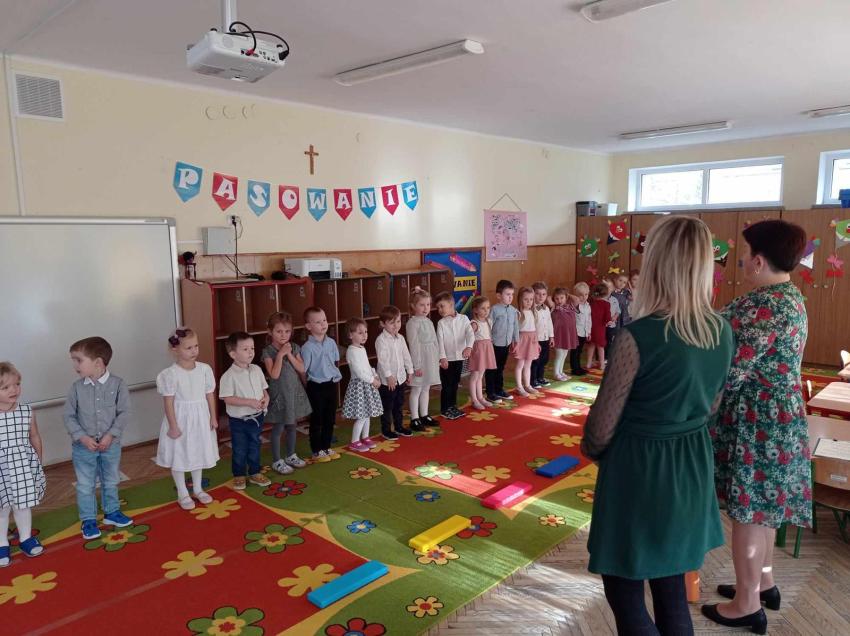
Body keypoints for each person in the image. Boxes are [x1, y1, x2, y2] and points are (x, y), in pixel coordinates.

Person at [582, 215, 734, 636]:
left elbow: (600, 430)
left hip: (639, 470)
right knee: (672, 589)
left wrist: (595, 451)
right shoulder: (721, 331)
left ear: (656, 266)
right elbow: (712, 405)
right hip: (690, 467)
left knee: (624, 590)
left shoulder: (637, 337)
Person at [703, 219, 809, 633]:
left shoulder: (764, 305)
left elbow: (730, 370)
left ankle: (746, 604)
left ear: (759, 261)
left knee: (748, 512)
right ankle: (764, 584)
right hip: (780, 417)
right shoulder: (790, 296)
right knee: (764, 510)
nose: (742, 262)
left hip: (758, 421)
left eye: (745, 255)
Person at [64, 336, 133, 540]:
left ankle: (112, 512)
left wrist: (111, 435)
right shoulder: (76, 388)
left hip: (111, 445)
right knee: (85, 485)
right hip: (83, 448)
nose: (75, 365)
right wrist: (82, 437)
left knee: (111, 480)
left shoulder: (118, 384)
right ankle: (88, 520)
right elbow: (68, 416)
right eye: (74, 360)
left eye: (79, 360)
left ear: (98, 362)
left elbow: (124, 412)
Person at [155, 328, 220, 508]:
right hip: (180, 420)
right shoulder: (170, 374)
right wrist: (173, 425)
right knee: (180, 454)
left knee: (197, 451)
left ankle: (198, 489)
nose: (194, 351)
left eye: (196, 346)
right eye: (188, 348)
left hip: (200, 419)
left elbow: (209, 395)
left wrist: (213, 417)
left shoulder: (204, 369)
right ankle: (182, 493)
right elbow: (168, 402)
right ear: (175, 349)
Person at [0, 362, 45, 566]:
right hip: (1, 470)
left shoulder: (26, 411)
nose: (14, 390)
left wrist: (38, 460)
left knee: (22, 504)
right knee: (2, 508)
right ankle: (2, 543)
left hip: (22, 466)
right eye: (6, 387)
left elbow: (34, 436)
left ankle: (26, 538)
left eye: (17, 384)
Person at [219, 332, 271, 491]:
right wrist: (249, 402)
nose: (250, 352)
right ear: (233, 354)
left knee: (255, 445)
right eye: (245, 349)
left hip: (257, 417)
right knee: (240, 448)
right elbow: (227, 398)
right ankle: (239, 475)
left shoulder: (257, 369)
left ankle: (255, 472)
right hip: (239, 421)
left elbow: (264, 390)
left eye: (252, 348)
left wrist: (266, 399)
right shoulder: (228, 376)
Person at [262, 312, 310, 475]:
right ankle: (277, 460)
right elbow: (274, 374)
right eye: (279, 331)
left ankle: (291, 455)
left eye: (287, 331)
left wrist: (288, 353)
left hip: (293, 393)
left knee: (292, 425)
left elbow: (302, 368)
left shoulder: (294, 347)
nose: (283, 335)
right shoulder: (268, 351)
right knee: (278, 427)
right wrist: (281, 354)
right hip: (279, 395)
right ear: (270, 332)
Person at [301, 307, 342, 462]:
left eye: (324, 320)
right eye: (318, 322)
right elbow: (303, 370)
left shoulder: (331, 343)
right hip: (316, 387)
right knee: (317, 419)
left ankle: (326, 446)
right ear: (308, 326)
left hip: (331, 384)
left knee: (330, 418)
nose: (323, 324)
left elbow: (335, 361)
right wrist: (307, 385)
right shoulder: (307, 347)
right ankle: (316, 450)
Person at [342, 317, 383, 451]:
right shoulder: (351, 351)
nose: (364, 335)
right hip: (360, 386)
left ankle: (365, 437)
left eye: (365, 332)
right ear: (350, 335)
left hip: (367, 384)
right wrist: (372, 380)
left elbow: (367, 365)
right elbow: (359, 371)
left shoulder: (361, 348)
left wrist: (375, 374)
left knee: (368, 413)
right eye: (360, 333)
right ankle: (354, 441)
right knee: (362, 416)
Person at [375, 305, 414, 439]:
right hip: (388, 381)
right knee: (387, 406)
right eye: (391, 323)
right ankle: (386, 430)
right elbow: (383, 360)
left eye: (398, 321)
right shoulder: (381, 340)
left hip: (400, 378)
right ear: (383, 324)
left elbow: (406, 355)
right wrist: (389, 376)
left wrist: (410, 371)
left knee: (399, 404)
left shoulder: (401, 338)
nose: (396, 325)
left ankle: (399, 427)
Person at [406, 288, 441, 431]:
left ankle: (424, 414)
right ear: (413, 306)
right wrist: (417, 366)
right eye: (422, 305)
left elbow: (435, 341)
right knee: (417, 389)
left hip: (430, 359)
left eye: (428, 304)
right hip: (420, 360)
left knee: (426, 387)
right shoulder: (412, 323)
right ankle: (414, 418)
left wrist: (438, 358)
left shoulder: (428, 321)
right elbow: (413, 345)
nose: (426, 308)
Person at [435, 291, 474, 419]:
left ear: (451, 304)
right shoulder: (441, 323)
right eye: (438, 307)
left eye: (442, 306)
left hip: (459, 358)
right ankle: (445, 409)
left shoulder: (464, 319)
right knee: (447, 385)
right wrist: (442, 357)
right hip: (447, 360)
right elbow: (440, 342)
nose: (440, 310)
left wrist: (469, 346)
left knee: (455, 383)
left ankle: (452, 406)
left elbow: (470, 334)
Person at [485, 279, 520, 402]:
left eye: (512, 294)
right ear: (499, 296)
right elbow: (488, 326)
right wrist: (488, 341)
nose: (510, 297)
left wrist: (516, 341)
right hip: (494, 344)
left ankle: (499, 389)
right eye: (507, 294)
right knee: (491, 368)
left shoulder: (513, 310)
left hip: (506, 344)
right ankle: (490, 392)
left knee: (500, 368)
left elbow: (515, 326)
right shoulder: (494, 310)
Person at [468, 296, 497, 409]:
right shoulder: (474, 323)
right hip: (478, 351)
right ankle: (474, 399)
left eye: (488, 308)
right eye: (483, 308)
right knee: (475, 375)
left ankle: (480, 397)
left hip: (486, 349)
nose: (486, 311)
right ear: (475, 310)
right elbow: (468, 338)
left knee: (480, 375)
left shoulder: (488, 321)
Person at [513, 286, 541, 397]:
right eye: (526, 299)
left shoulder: (533, 312)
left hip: (532, 341)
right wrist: (515, 343)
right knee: (520, 364)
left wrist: (537, 343)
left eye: (531, 299)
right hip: (522, 340)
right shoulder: (518, 313)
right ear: (520, 299)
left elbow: (535, 329)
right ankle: (519, 387)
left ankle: (527, 385)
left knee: (528, 364)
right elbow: (515, 330)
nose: (529, 302)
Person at [551, 287, 579, 381]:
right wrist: (556, 297)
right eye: (557, 298)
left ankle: (560, 371)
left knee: (564, 354)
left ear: (566, 297)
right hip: (559, 336)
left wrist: (567, 294)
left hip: (567, 336)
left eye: (561, 298)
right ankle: (556, 373)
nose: (559, 301)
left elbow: (576, 299)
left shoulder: (570, 306)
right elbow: (548, 298)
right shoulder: (555, 308)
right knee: (559, 354)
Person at [530, 281, 555, 388]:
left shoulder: (547, 309)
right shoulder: (531, 310)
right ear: (533, 294)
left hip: (545, 338)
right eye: (538, 294)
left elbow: (549, 323)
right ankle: (532, 380)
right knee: (535, 361)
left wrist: (551, 336)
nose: (541, 297)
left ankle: (540, 377)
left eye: (544, 294)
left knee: (544, 359)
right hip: (536, 340)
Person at [586, 283, 612, 371]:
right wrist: (609, 321)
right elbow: (607, 316)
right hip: (600, 328)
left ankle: (588, 363)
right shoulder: (606, 304)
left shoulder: (591, 303)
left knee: (591, 344)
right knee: (600, 346)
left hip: (590, 327)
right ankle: (602, 364)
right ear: (606, 294)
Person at [570, 282, 591, 376]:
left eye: (586, 294)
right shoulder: (576, 305)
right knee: (575, 351)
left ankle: (578, 367)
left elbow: (589, 320)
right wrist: (571, 295)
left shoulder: (588, 306)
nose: (584, 297)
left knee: (580, 351)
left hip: (584, 332)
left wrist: (589, 332)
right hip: (576, 332)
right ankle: (574, 368)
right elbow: (573, 298)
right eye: (580, 295)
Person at [604, 278, 621, 347]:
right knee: (601, 341)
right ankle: (599, 353)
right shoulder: (600, 300)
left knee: (609, 340)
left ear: (613, 288)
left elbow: (618, 311)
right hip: (602, 325)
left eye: (609, 287)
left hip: (611, 325)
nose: (607, 289)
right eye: (605, 287)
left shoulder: (614, 300)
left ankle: (607, 353)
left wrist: (615, 316)